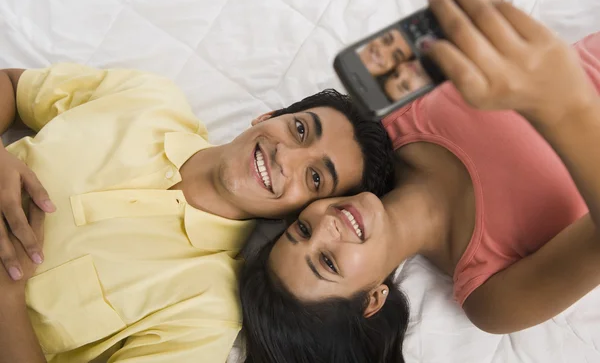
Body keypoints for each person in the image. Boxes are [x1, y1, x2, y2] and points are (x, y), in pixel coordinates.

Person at [239, 0, 600, 363]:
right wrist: (559, 104)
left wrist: (462, 2)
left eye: (303, 229)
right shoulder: (490, 297)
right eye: (328, 262)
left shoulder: (386, 121)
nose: (326, 227)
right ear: (372, 300)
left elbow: (469, 10)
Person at [0, 63, 395, 361]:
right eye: (300, 130)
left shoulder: (206, 312)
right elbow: (15, 87)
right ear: (268, 116)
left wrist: (8, 298)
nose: (285, 155)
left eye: (313, 178)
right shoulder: (152, 98)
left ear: (304, 212)